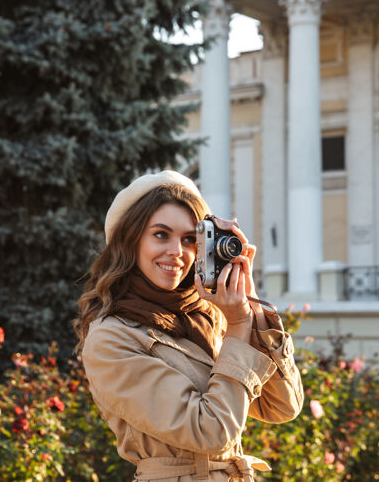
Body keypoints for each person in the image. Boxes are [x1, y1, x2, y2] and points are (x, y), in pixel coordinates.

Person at [73, 170, 303, 482]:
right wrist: (237, 325)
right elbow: (210, 432)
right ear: (130, 241)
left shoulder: (209, 318)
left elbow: (283, 406)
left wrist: (251, 304)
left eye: (189, 239)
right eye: (160, 235)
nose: (177, 252)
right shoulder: (112, 338)